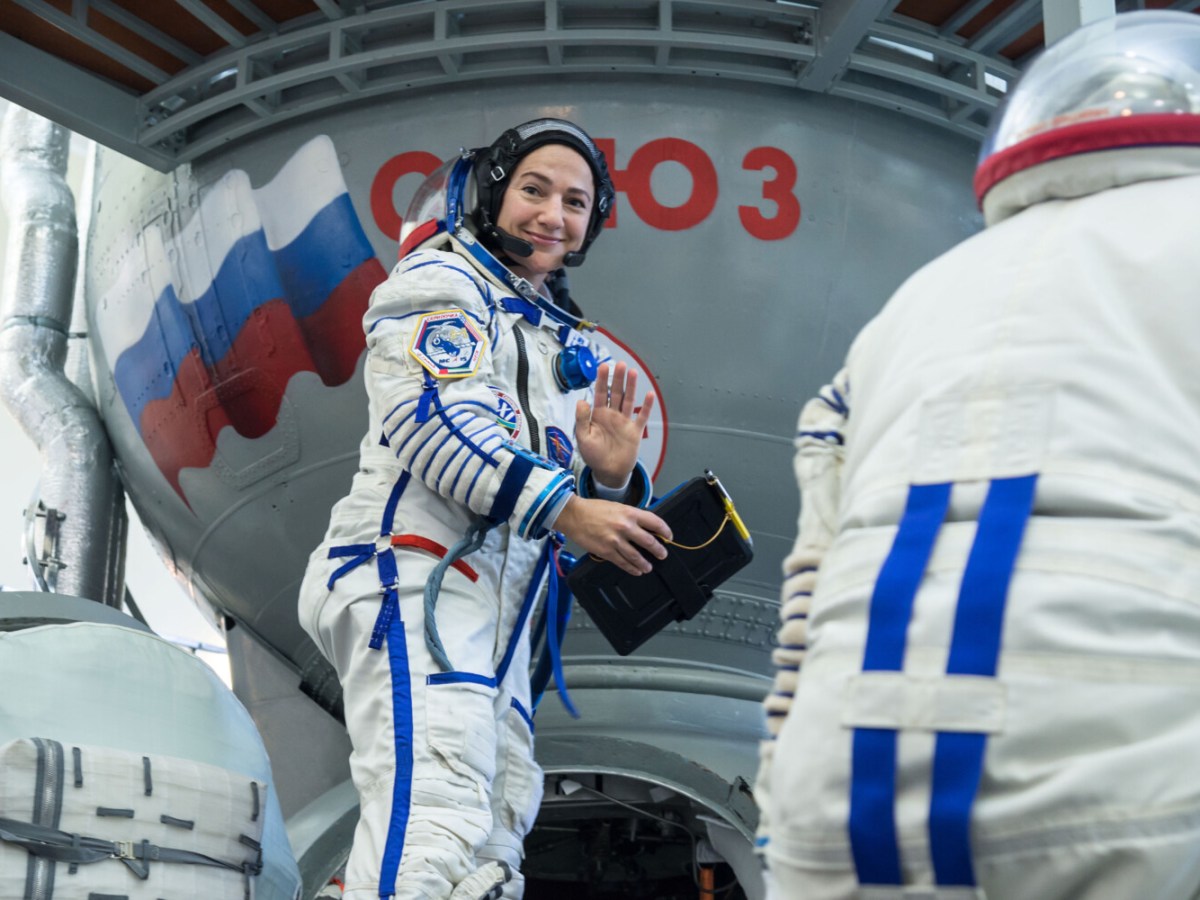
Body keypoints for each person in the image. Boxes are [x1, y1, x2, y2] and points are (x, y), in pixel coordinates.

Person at [754, 11, 1200, 900]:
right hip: (1133, 775)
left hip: (838, 807)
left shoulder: (911, 305)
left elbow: (808, 595)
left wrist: (781, 818)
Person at [298, 118, 671, 900]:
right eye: (535, 190)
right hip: (413, 577)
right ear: (490, 196)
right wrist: (569, 509)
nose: (553, 215)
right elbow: (433, 422)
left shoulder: (547, 336)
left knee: (492, 838)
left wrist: (606, 480)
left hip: (494, 611)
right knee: (433, 818)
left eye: (575, 202)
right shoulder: (442, 284)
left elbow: (537, 495)